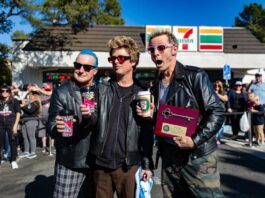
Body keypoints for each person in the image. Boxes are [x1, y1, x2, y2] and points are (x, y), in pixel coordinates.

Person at [140, 30, 224, 197]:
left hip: (197, 158)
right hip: (170, 159)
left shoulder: (194, 76)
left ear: (174, 49)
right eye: (151, 49)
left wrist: (194, 141)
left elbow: (217, 111)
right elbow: (166, 119)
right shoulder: (155, 86)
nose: (155, 53)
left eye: (161, 48)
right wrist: (151, 117)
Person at [81, 36, 154, 198]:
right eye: (112, 58)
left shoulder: (143, 93)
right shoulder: (101, 89)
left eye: (121, 58)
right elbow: (92, 124)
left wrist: (148, 165)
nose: (115, 61)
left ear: (133, 61)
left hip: (129, 166)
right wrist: (87, 117)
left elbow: (147, 133)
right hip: (101, 165)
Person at [47, 49, 98, 198]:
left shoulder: (103, 91)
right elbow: (51, 124)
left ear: (94, 71)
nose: (81, 70)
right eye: (78, 65)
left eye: (87, 67)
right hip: (71, 160)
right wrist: (58, 129)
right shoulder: (61, 92)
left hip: (98, 162)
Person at [0, 85, 21, 169]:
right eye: (2, 91)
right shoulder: (0, 101)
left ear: (9, 92)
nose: (4, 92)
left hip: (11, 124)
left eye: (6, 91)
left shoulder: (14, 101)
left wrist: (15, 125)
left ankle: (13, 160)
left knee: (13, 142)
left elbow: (18, 113)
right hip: (0, 125)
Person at [20, 90, 42, 159]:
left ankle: (33, 152)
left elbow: (30, 110)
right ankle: (26, 151)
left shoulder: (36, 103)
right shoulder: (29, 102)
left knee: (31, 136)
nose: (28, 96)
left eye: (30, 95)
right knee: (25, 136)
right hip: (24, 120)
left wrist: (22, 106)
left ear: (34, 96)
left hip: (31, 121)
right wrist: (23, 105)